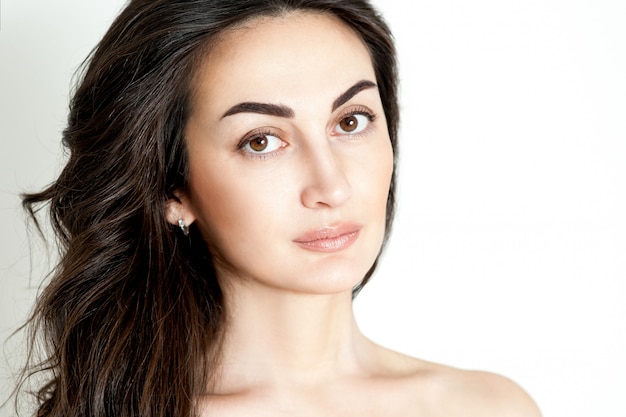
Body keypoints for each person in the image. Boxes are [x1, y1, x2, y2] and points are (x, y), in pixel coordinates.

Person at [17, 0, 542, 416]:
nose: (330, 186)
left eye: (351, 121)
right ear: (171, 189)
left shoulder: (491, 408)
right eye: (262, 141)